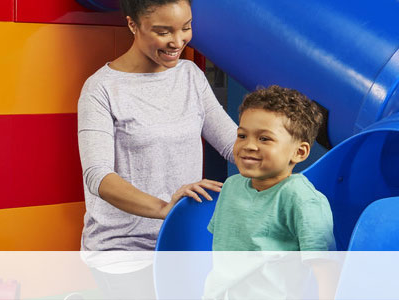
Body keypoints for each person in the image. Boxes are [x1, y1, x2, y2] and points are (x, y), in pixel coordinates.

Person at [76, 0, 237, 296]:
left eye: (186, 28)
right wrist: (165, 209)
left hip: (184, 238)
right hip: (124, 250)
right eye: (164, 32)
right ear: (132, 25)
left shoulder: (190, 76)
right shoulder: (101, 89)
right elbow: (98, 176)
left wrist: (277, 149)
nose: (178, 41)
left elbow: (232, 144)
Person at [204, 85, 336, 299]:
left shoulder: (301, 198)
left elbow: (326, 269)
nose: (249, 146)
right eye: (242, 135)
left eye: (264, 138)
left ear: (299, 152)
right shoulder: (231, 187)